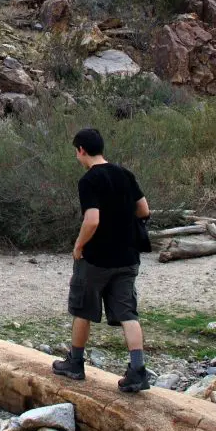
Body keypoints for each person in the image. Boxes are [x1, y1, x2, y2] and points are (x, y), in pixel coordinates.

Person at [52, 128, 151, 392]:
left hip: (96, 258)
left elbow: (92, 219)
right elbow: (144, 210)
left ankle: (75, 363)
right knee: (128, 312)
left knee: (83, 308)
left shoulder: (89, 181)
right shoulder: (125, 175)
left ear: (81, 150)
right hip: (128, 256)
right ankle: (137, 370)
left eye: (76, 151)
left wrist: (79, 244)